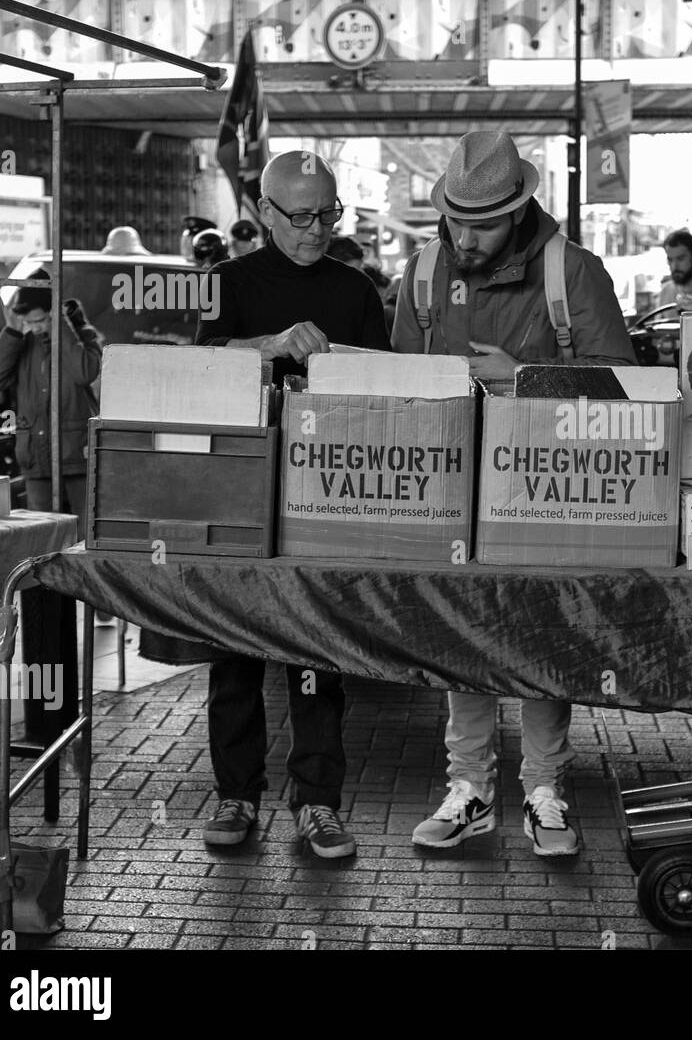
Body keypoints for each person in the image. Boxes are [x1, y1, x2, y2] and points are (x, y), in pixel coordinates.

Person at [391, 128, 635, 858]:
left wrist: (523, 376)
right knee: (463, 632)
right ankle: (468, 790)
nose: (465, 236)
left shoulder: (573, 271)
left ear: (520, 208)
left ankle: (544, 791)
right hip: (455, 485)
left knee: (540, 635)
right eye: (456, 219)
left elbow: (625, 393)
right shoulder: (424, 270)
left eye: (484, 223)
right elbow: (403, 385)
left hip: (550, 487)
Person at [194, 150, 392, 858]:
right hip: (240, 490)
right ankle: (237, 794)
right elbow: (196, 373)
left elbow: (386, 394)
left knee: (316, 653)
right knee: (235, 651)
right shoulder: (224, 284)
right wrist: (271, 346)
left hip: (326, 489)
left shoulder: (355, 289)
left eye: (329, 214)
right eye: (302, 215)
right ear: (263, 213)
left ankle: (317, 801)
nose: (317, 229)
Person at [0, 278, 102, 531]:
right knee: (41, 534)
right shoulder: (21, 342)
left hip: (75, 450)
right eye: (29, 323)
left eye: (41, 321)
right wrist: (12, 332)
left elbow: (83, 372)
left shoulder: (83, 335)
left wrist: (60, 329)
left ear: (54, 314)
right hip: (35, 452)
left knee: (85, 530)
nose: (34, 328)